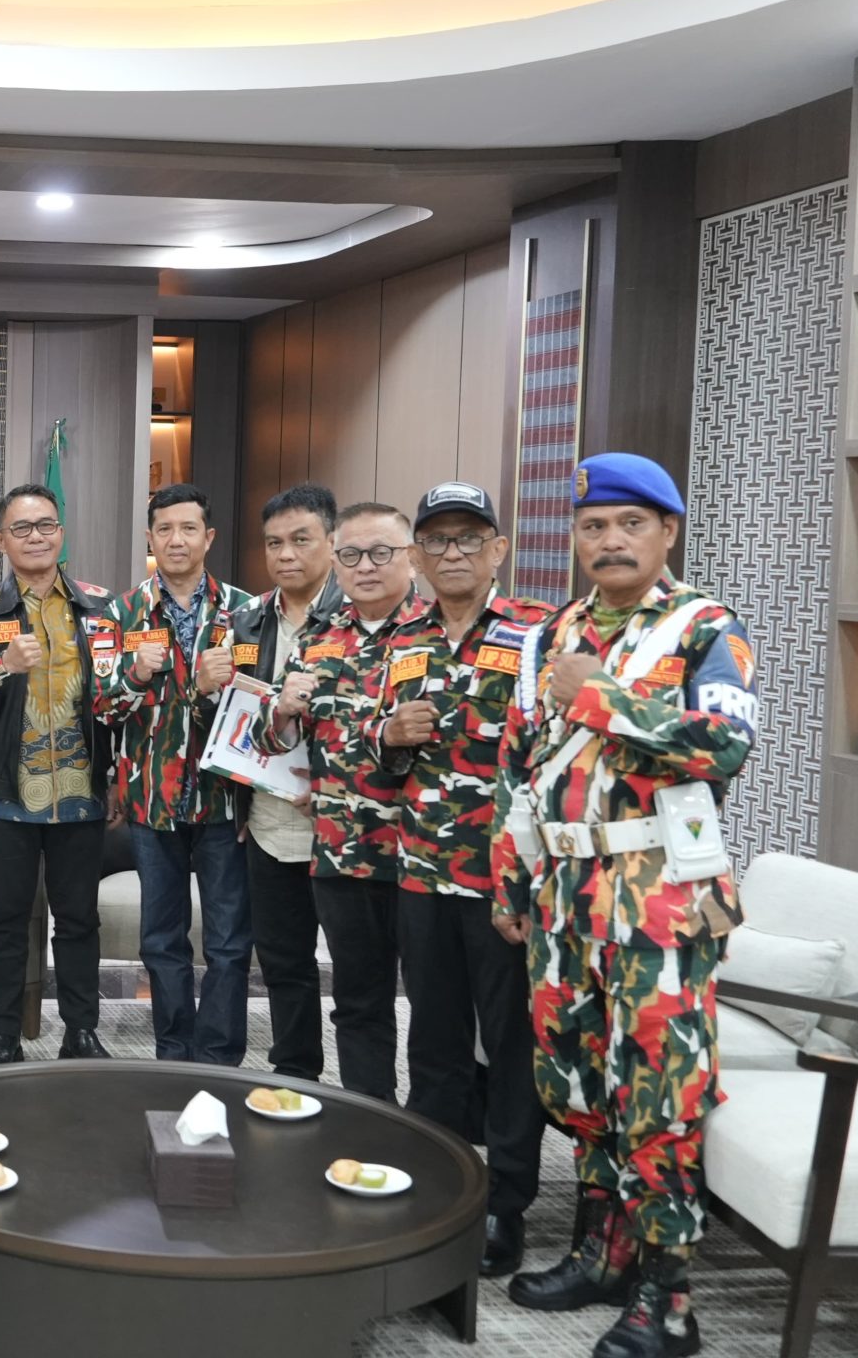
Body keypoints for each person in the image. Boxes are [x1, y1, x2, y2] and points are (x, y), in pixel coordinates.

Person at [493, 454, 756, 1358]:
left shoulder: (703, 629)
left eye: (630, 524)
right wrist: (512, 878)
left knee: (657, 1092)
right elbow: (520, 763)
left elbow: (723, 745)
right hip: (563, 895)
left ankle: (669, 1299)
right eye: (594, 526)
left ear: (667, 532)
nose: (610, 541)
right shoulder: (552, 632)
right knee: (577, 1083)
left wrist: (599, 698)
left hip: (658, 900)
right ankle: (601, 1254)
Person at [365, 482, 553, 1277]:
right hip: (421, 870)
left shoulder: (540, 631)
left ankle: (506, 1203)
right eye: (437, 540)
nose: (452, 554)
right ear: (417, 556)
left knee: (511, 1046)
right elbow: (381, 762)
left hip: (506, 883)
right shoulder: (403, 637)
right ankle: (440, 1191)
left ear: (498, 549)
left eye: (468, 538)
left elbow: (559, 755)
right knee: (435, 1039)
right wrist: (389, 733)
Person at [0, 484, 125, 1064]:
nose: (36, 537)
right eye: (21, 528)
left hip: (82, 789)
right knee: (5, 920)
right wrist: (2, 665)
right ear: (1, 541)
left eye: (46, 525)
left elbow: (120, 699)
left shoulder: (101, 608)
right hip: (6, 793)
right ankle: (1, 1036)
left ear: (61, 533)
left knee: (78, 920)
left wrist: (117, 775)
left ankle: (81, 1031)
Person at [261, 501, 429, 1102]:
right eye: (352, 555)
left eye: (381, 553)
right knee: (358, 1001)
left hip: (427, 855)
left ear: (412, 557)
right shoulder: (320, 638)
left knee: (435, 1006)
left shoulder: (441, 634)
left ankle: (438, 1133)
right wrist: (281, 714)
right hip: (344, 851)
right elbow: (278, 742)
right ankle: (371, 1119)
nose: (366, 566)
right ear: (337, 560)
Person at [105, 483, 252, 1064]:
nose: (176, 540)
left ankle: (220, 1055)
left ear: (208, 537)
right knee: (162, 939)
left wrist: (219, 689)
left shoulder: (245, 612)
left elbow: (259, 705)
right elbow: (102, 707)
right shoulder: (123, 613)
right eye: (164, 529)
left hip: (223, 799)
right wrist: (135, 675)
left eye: (188, 528)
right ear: (150, 538)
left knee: (229, 940)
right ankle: (173, 1049)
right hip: (152, 797)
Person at [217, 484, 341, 1082]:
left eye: (300, 540)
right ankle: (296, 1075)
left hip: (345, 826)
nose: (286, 554)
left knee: (359, 973)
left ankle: (369, 1095)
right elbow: (231, 719)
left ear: (331, 542)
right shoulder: (246, 621)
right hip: (268, 822)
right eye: (273, 543)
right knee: (284, 963)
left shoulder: (359, 616)